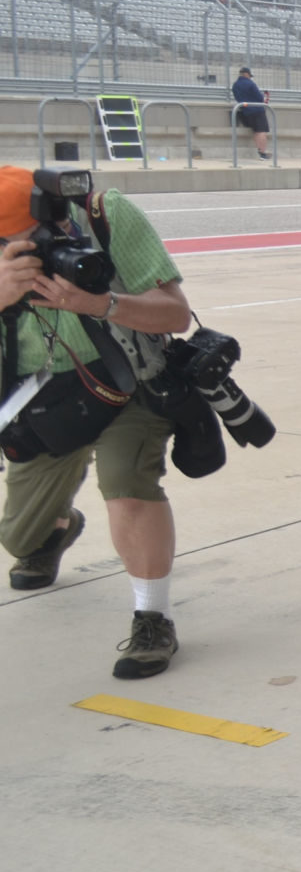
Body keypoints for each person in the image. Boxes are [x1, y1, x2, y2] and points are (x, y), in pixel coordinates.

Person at [0, 167, 197, 677]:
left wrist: (101, 304)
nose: (39, 247)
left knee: (127, 484)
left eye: (43, 234)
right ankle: (56, 528)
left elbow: (176, 314)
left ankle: (154, 617)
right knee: (18, 539)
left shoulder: (106, 214)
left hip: (127, 377)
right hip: (42, 394)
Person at [231, 67, 270, 161]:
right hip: (257, 110)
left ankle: (260, 152)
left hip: (245, 111)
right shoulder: (250, 83)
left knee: (255, 131)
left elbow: (237, 97)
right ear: (247, 74)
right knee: (261, 131)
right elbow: (260, 97)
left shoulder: (235, 85)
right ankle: (263, 153)